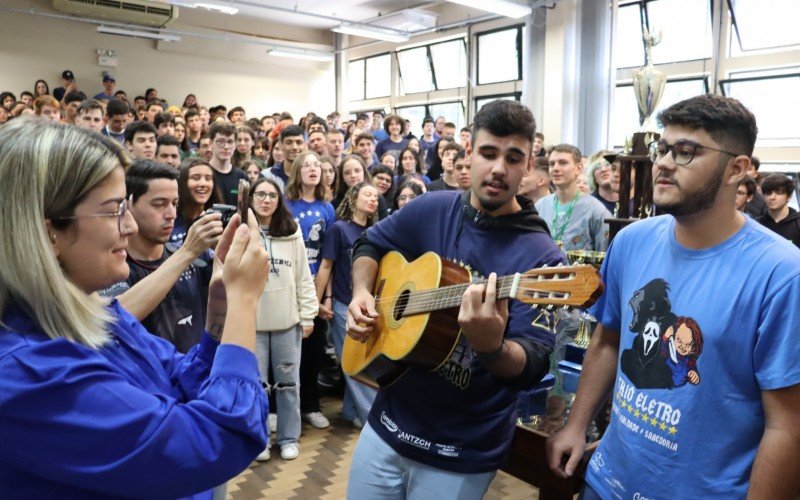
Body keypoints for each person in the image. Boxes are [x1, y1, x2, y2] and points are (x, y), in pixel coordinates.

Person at [546, 94, 800, 499]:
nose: (662, 163)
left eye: (685, 152)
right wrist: (577, 424)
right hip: (606, 482)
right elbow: (608, 340)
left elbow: (787, 425)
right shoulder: (631, 242)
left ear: (737, 168)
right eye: (662, 149)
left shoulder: (782, 274)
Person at [0, 118, 271, 497]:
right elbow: (219, 440)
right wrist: (245, 302)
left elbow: (180, 377)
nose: (129, 226)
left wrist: (221, 314)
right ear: (49, 233)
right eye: (114, 211)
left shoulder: (91, 314)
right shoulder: (28, 374)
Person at [345, 100, 562, 498]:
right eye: (488, 153)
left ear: (529, 166)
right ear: (468, 154)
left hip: (462, 449)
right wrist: (362, 293)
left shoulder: (543, 260)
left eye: (513, 158)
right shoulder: (430, 208)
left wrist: (492, 348)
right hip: (387, 423)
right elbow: (369, 244)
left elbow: (532, 364)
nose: (499, 168)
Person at [250, 178, 318, 462]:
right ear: (251, 198)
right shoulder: (242, 231)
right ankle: (259, 439)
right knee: (256, 385)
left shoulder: (292, 231)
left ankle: (289, 437)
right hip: (251, 322)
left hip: (287, 321)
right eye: (261, 194)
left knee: (289, 384)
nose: (266, 200)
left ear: (279, 201)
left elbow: (303, 274)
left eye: (272, 195)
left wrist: (307, 314)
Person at [315, 182, 380, 429]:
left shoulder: (376, 230)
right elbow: (327, 266)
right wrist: (318, 302)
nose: (373, 199)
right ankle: (372, 420)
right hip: (343, 303)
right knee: (354, 363)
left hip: (370, 304)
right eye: (367, 194)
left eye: (376, 196)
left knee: (361, 360)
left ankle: (351, 412)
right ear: (353, 197)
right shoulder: (338, 229)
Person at [284, 151, 337, 430]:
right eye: (307, 165)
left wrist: (324, 297)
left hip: (315, 287)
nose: (313, 169)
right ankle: (278, 408)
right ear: (297, 171)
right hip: (288, 285)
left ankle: (310, 405)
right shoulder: (287, 203)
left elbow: (329, 257)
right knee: (286, 350)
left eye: (318, 165)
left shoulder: (327, 208)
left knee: (314, 349)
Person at [535, 144, 610, 252]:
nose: (555, 168)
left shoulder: (596, 211)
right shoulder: (540, 206)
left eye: (563, 163)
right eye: (552, 164)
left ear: (579, 168)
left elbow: (604, 256)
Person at [172, 157, 224, 245]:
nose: (203, 184)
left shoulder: (221, 221)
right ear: (182, 182)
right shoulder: (170, 220)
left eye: (208, 178)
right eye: (196, 178)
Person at [208, 122, 250, 205]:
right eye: (220, 141)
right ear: (211, 144)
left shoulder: (242, 177)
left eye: (230, 142)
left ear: (235, 145)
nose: (226, 147)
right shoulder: (203, 174)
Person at [756, 173, 800, 247]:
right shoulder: (757, 224)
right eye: (768, 193)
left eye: (779, 193)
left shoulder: (798, 223)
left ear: (789, 196)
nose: (772, 197)